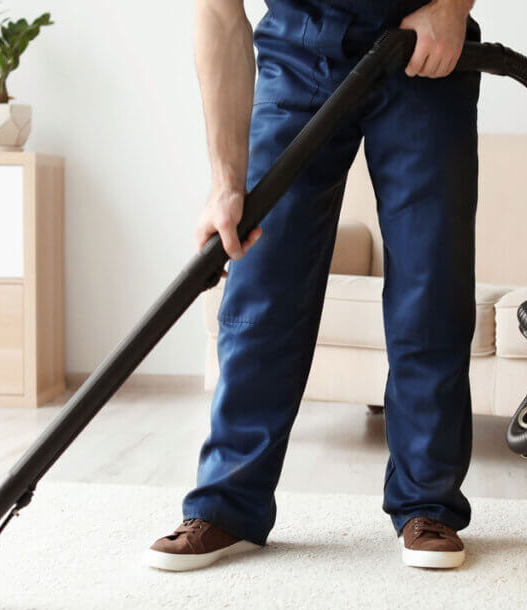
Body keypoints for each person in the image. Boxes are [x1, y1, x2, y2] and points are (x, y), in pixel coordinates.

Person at [147, 0, 480, 571]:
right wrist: (226, 181)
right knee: (261, 279)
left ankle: (429, 504)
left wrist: (452, 7)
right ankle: (227, 505)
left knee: (431, 282)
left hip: (422, 42)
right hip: (301, 47)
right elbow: (220, 14)